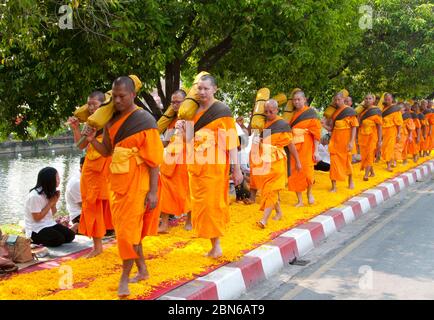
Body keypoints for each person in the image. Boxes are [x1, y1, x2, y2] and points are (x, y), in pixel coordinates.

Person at [83, 76, 163, 297]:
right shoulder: (110, 120)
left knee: (127, 235)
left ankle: (124, 279)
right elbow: (107, 151)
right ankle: (143, 270)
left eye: (122, 96)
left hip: (139, 184)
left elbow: (154, 161)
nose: (117, 100)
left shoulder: (145, 120)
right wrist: (92, 141)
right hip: (117, 184)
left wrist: (154, 191)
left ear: (133, 95)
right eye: (114, 96)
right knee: (128, 233)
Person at [185, 74, 243, 259]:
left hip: (214, 166)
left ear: (214, 89)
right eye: (199, 88)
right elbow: (187, 139)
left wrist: (237, 168)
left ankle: (216, 246)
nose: (202, 92)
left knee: (212, 204)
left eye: (206, 89)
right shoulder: (191, 110)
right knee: (201, 204)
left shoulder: (222, 111)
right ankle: (213, 244)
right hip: (196, 165)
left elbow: (231, 142)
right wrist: (182, 128)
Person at [68, 91, 114, 258]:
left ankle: (126, 239)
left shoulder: (108, 121)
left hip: (105, 168)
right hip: (90, 169)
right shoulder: (90, 122)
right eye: (89, 104)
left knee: (109, 205)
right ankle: (97, 246)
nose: (91, 107)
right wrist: (76, 128)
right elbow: (80, 145)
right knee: (92, 206)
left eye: (95, 104)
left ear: (103, 105)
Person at [253, 99, 301, 228]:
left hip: (278, 161)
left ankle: (264, 220)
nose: (268, 114)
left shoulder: (282, 124)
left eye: (271, 111)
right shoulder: (263, 124)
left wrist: (297, 161)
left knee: (271, 190)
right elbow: (260, 142)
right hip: (265, 161)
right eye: (266, 111)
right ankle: (279, 212)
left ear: (277, 110)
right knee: (267, 190)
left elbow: (290, 145)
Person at [159, 89, 192, 233]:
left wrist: (183, 129)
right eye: (172, 102)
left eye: (177, 101)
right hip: (170, 161)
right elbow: (165, 142)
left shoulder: (191, 118)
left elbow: (190, 140)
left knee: (188, 190)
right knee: (165, 191)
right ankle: (164, 224)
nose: (174, 104)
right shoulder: (171, 120)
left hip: (186, 159)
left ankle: (190, 221)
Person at [25, 167, 75, 247]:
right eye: (57, 178)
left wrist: (54, 202)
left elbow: (53, 213)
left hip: (49, 224)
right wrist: (50, 203)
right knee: (58, 239)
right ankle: (34, 240)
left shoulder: (48, 192)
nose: (59, 180)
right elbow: (37, 218)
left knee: (70, 235)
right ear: (50, 180)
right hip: (36, 229)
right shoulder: (34, 196)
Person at [287, 91, 321, 207]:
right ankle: (300, 200)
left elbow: (316, 134)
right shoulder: (291, 115)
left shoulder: (311, 113)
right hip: (294, 148)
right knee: (296, 173)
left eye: (298, 99)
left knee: (308, 172)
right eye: (294, 100)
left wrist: (316, 151)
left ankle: (309, 193)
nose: (296, 102)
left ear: (304, 99)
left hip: (307, 147)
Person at [325, 92, 359, 192]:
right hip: (335, 142)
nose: (337, 102)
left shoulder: (349, 111)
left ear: (343, 99)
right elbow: (332, 128)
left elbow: (354, 127)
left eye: (338, 100)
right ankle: (334, 186)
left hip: (345, 142)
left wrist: (351, 141)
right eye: (335, 100)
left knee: (347, 163)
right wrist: (323, 125)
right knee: (334, 164)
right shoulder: (335, 113)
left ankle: (350, 180)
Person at [358, 94, 382, 181]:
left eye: (370, 98)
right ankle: (372, 172)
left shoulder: (376, 111)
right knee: (365, 155)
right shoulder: (362, 111)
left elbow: (379, 126)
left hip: (372, 136)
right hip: (362, 135)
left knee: (370, 153)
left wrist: (379, 140)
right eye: (366, 98)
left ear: (373, 100)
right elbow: (359, 124)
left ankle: (366, 175)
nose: (368, 100)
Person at [381, 93, 403, 171]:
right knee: (384, 148)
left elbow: (399, 123)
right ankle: (390, 163)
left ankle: (389, 166)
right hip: (384, 132)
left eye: (389, 99)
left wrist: (399, 134)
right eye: (386, 99)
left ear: (392, 99)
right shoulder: (383, 109)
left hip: (392, 131)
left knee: (389, 149)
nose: (387, 101)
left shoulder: (396, 109)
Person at [65, 157, 85, 233]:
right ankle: (78, 226)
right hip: (79, 215)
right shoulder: (77, 182)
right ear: (81, 166)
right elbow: (83, 206)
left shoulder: (88, 178)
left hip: (90, 211)